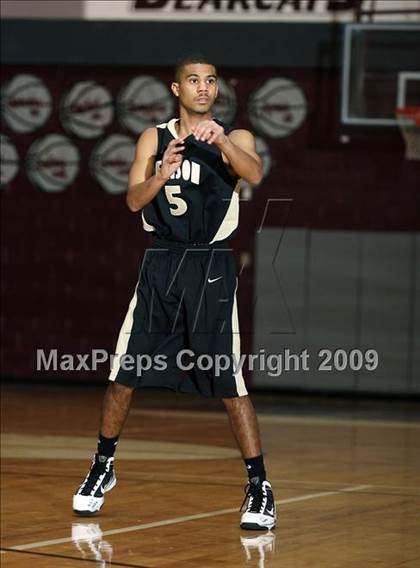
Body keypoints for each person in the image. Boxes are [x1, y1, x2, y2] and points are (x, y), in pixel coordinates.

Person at [73, 55, 276, 531]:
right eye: (193, 80)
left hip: (209, 265)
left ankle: (259, 484)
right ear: (176, 88)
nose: (203, 88)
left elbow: (256, 174)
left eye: (210, 81)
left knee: (228, 381)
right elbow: (132, 200)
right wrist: (160, 174)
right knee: (125, 371)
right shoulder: (155, 137)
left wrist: (223, 141)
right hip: (160, 263)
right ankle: (103, 465)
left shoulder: (236, 136)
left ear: (217, 90)